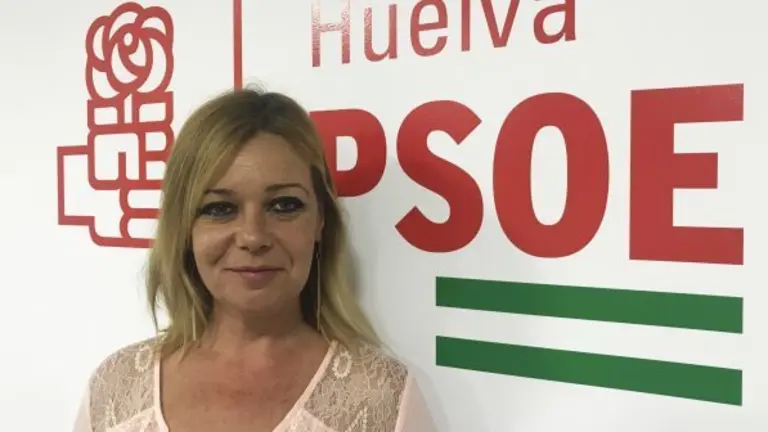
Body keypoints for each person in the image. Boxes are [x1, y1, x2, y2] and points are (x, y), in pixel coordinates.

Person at [73, 88, 437, 432]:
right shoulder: (114, 390)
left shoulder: (381, 400)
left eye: (284, 205)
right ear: (184, 228)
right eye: (220, 208)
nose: (253, 236)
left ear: (320, 222)